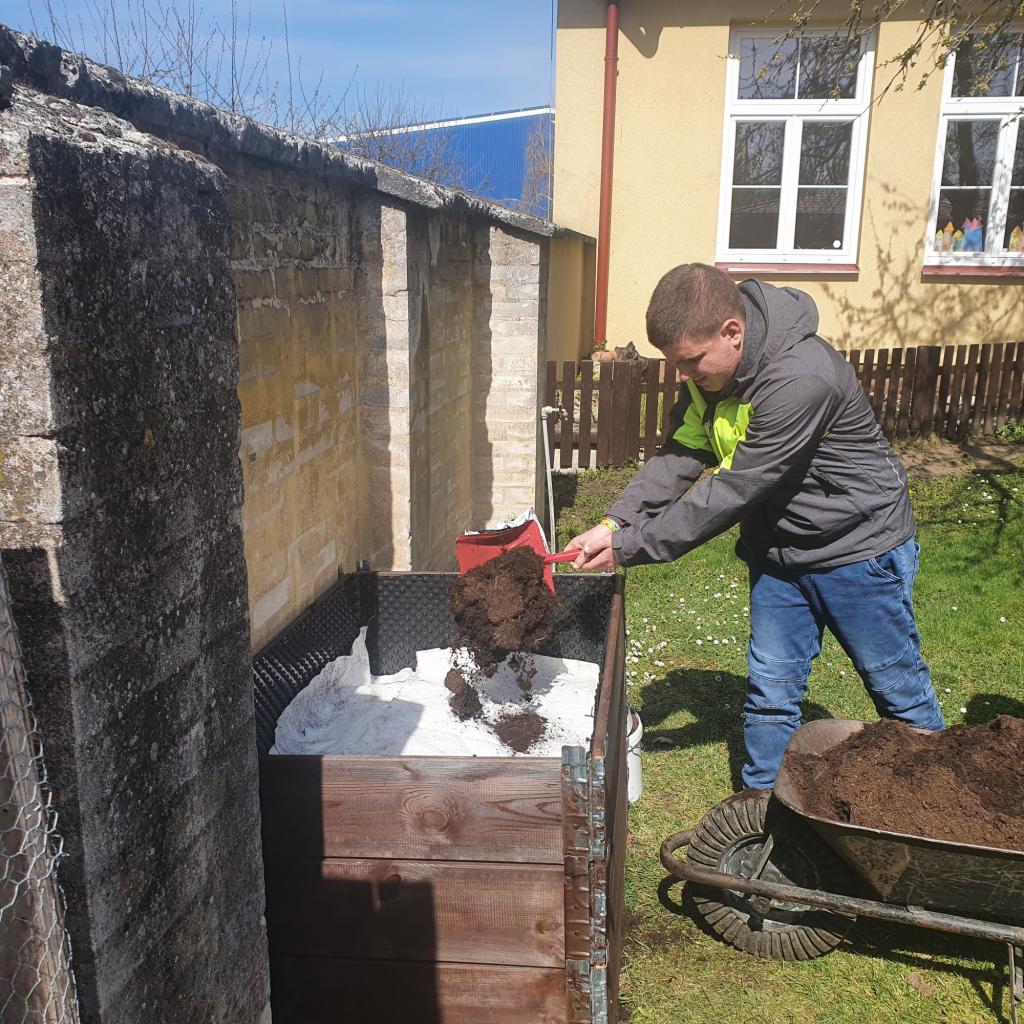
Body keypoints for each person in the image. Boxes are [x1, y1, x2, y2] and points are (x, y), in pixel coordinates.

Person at [567, 264, 944, 790]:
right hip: (778, 553)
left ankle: (935, 798)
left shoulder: (801, 379)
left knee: (896, 690)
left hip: (857, 550)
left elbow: (733, 491)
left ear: (733, 332)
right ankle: (761, 803)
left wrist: (630, 547)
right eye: (676, 363)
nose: (683, 376)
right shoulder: (712, 375)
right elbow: (682, 452)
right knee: (771, 690)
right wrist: (617, 521)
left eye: (691, 361)